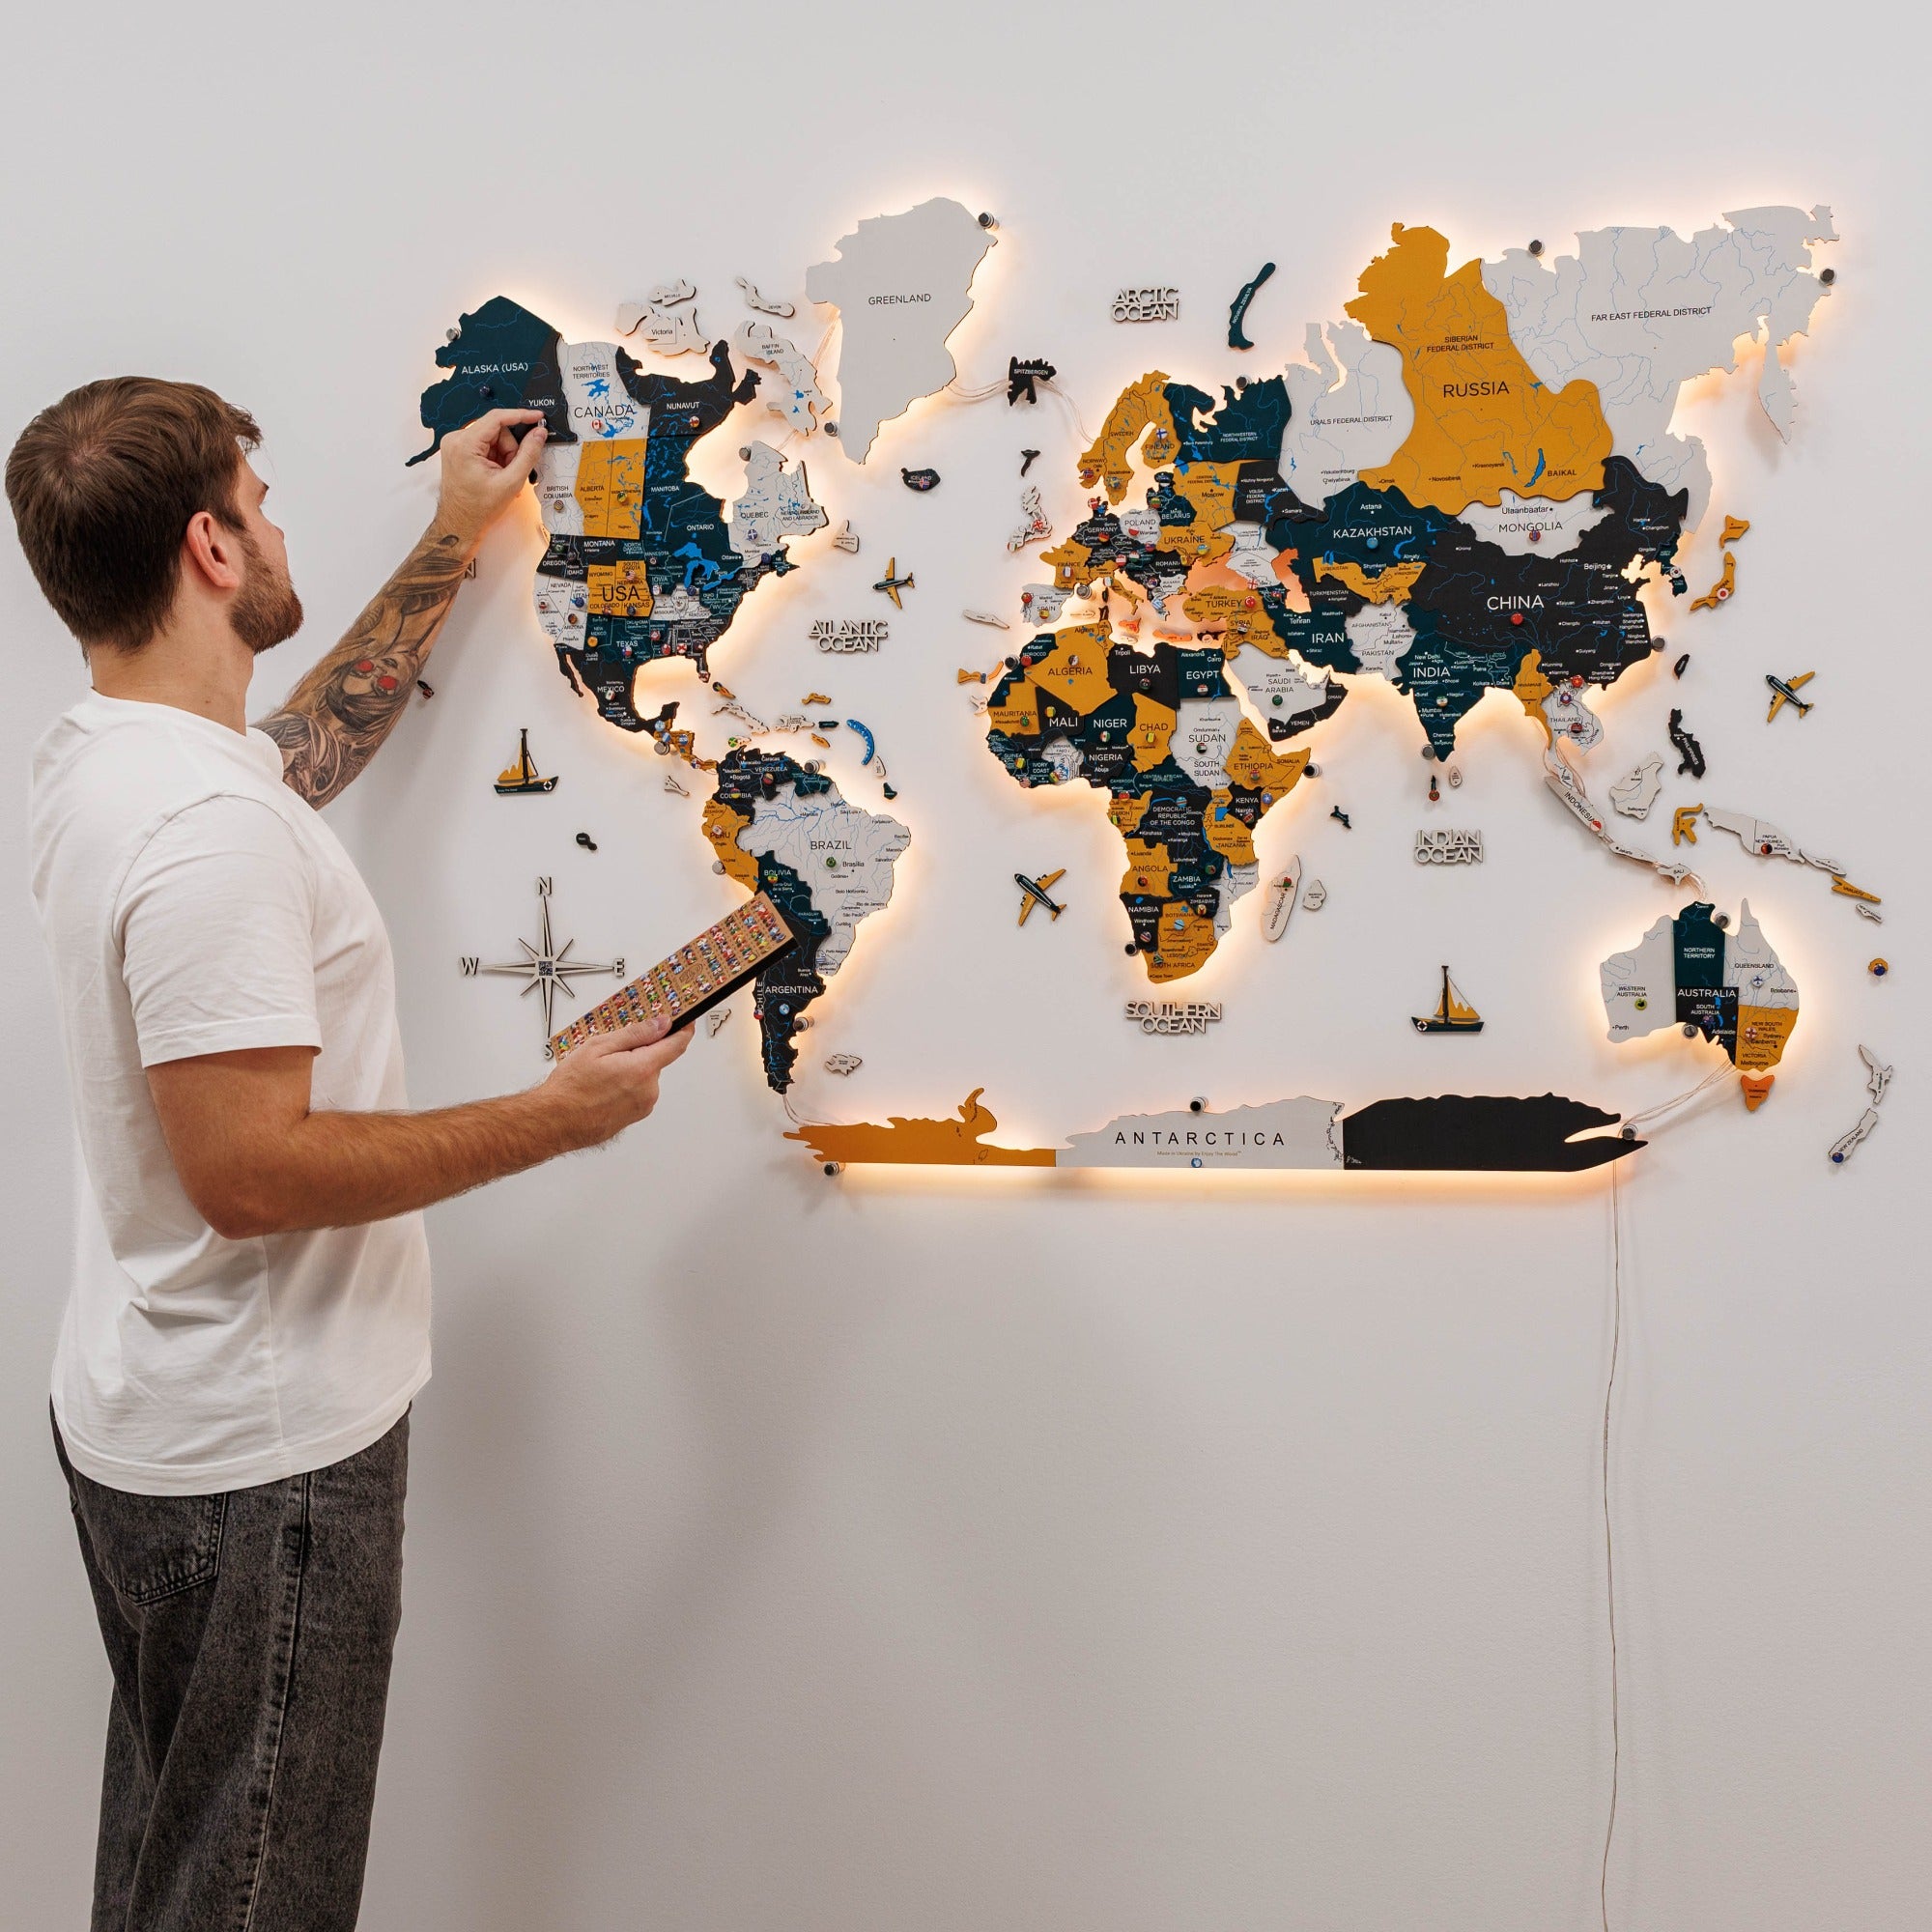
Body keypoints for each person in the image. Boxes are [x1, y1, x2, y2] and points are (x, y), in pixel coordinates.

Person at [9, 377, 691, 1932]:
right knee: (258, 1903)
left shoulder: (114, 756)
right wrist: (558, 1115)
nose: (280, 517)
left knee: (177, 1878)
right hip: (265, 1470)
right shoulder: (201, 834)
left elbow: (306, 743)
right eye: (261, 501)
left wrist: (455, 535)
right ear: (210, 548)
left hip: (154, 1419)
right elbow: (246, 1177)